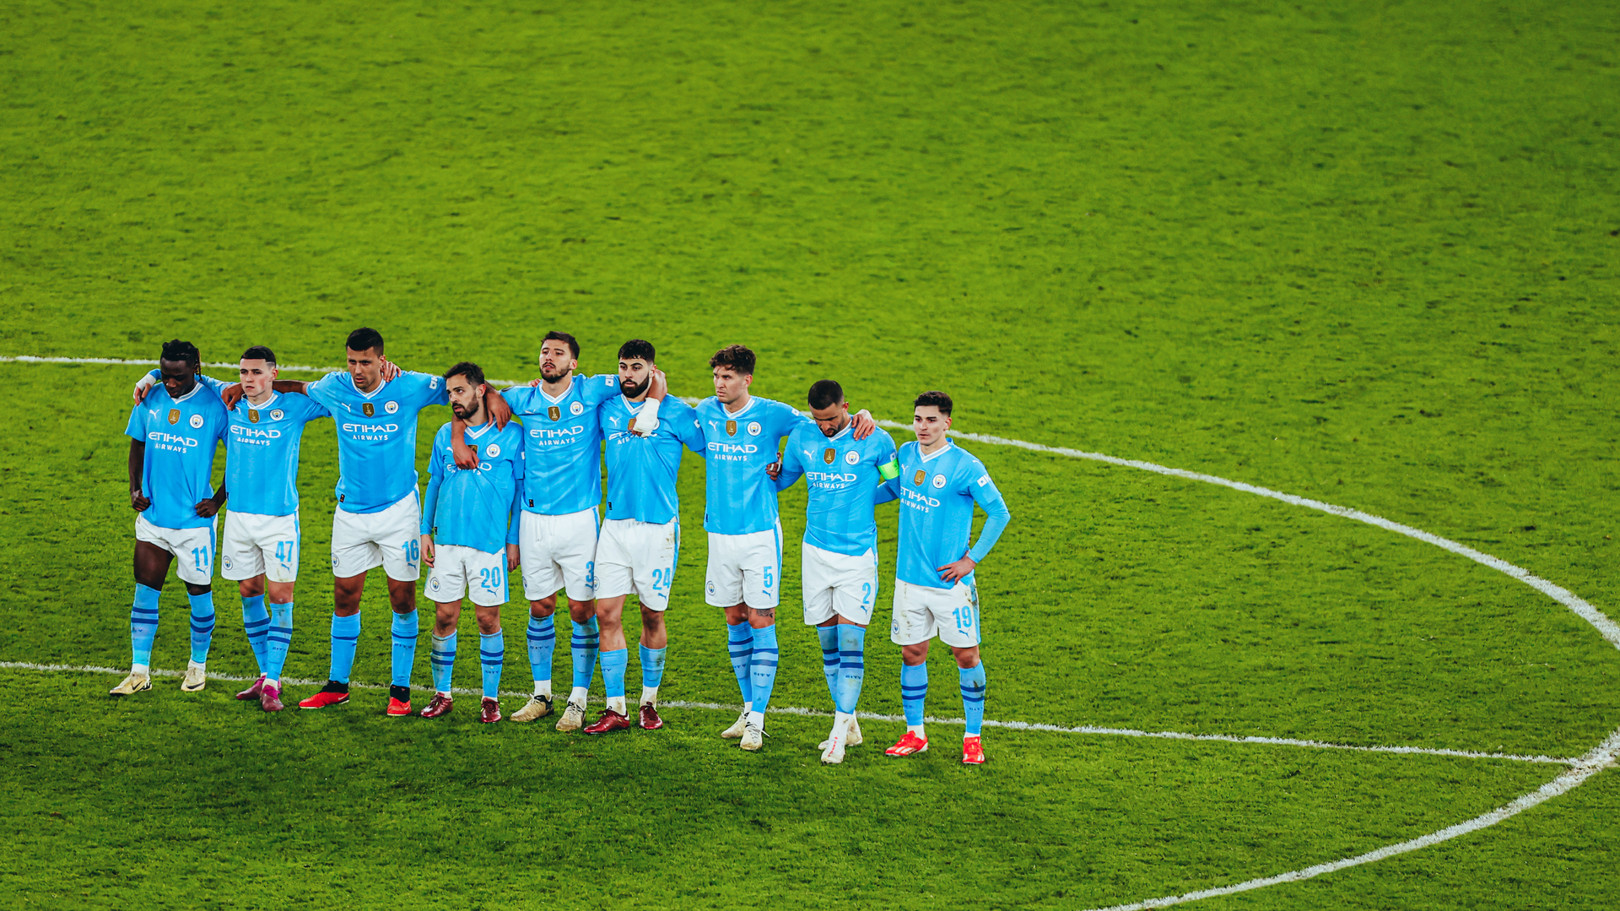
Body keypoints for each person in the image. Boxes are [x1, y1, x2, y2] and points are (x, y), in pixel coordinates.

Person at [269, 327, 507, 715]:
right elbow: (300, 387)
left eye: (365, 362)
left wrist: (483, 407)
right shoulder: (335, 387)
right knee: (344, 596)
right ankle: (337, 685)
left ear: (382, 360)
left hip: (399, 513)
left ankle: (400, 692)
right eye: (351, 361)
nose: (357, 370)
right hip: (350, 513)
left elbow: (463, 393)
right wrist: (239, 387)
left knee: (402, 598)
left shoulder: (409, 385)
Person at [693, 345, 873, 752]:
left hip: (760, 535)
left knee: (761, 620)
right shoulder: (704, 410)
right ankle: (748, 708)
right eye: (717, 377)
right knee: (734, 619)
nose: (720, 384)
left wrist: (862, 415)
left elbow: (824, 423)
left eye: (728, 377)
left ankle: (757, 721)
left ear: (747, 379)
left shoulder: (776, 414)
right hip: (718, 534)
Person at [131, 346, 327, 710]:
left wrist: (284, 385)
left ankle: (271, 683)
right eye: (243, 373)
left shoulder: (295, 407)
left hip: (280, 519)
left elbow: (333, 394)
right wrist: (150, 377)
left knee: (281, 599)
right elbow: (192, 376)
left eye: (256, 373)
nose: (247, 380)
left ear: (272, 372)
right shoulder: (229, 398)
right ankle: (266, 675)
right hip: (238, 517)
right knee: (249, 596)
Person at [458, 331, 620, 730]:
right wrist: (461, 434)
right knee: (539, 607)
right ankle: (542, 694)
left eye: (558, 353)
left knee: (582, 609)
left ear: (573, 363)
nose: (549, 358)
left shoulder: (593, 389)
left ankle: (578, 699)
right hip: (532, 522)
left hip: (580, 520)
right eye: (545, 352)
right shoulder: (520, 398)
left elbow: (652, 377)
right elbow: (467, 399)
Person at [879, 391, 1011, 765]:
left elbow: (999, 513)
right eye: (918, 419)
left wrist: (970, 560)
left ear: (947, 423)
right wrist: (854, 499)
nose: (923, 427)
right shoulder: (905, 454)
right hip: (908, 580)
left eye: (931, 420)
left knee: (966, 656)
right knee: (912, 652)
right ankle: (915, 733)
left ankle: (972, 736)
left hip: (951, 584)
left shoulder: (965, 466)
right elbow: (893, 487)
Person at [771, 380, 898, 763]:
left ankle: (838, 734)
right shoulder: (802, 437)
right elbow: (786, 477)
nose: (824, 426)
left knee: (851, 644)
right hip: (815, 554)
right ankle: (851, 722)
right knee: (828, 647)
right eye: (817, 419)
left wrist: (860, 496)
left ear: (846, 406)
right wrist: (773, 470)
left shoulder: (876, 440)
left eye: (830, 418)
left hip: (857, 557)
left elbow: (895, 483)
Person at [581, 339, 695, 734]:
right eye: (623, 367)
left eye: (635, 367)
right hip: (614, 527)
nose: (627, 374)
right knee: (606, 614)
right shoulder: (607, 407)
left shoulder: (677, 411)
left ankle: (649, 701)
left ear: (652, 369)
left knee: (652, 614)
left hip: (658, 529)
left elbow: (716, 443)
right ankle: (616, 707)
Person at [111, 340, 230, 696]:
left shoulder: (215, 405)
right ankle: (139, 672)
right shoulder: (151, 397)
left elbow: (240, 455)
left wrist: (218, 500)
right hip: (153, 519)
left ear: (196, 366)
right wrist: (134, 489)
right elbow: (138, 443)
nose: (171, 383)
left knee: (199, 595)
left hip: (193, 524)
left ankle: (197, 667)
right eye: (165, 375)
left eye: (178, 376)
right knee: (144, 594)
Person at [418, 362, 525, 724]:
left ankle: (490, 698)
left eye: (460, 391)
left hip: (490, 543)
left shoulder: (512, 435)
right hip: (447, 541)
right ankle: (442, 693)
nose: (453, 399)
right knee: (444, 617)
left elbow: (520, 492)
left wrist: (513, 541)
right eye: (449, 393)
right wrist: (425, 531)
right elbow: (433, 483)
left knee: (487, 619)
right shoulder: (444, 436)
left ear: (481, 390)